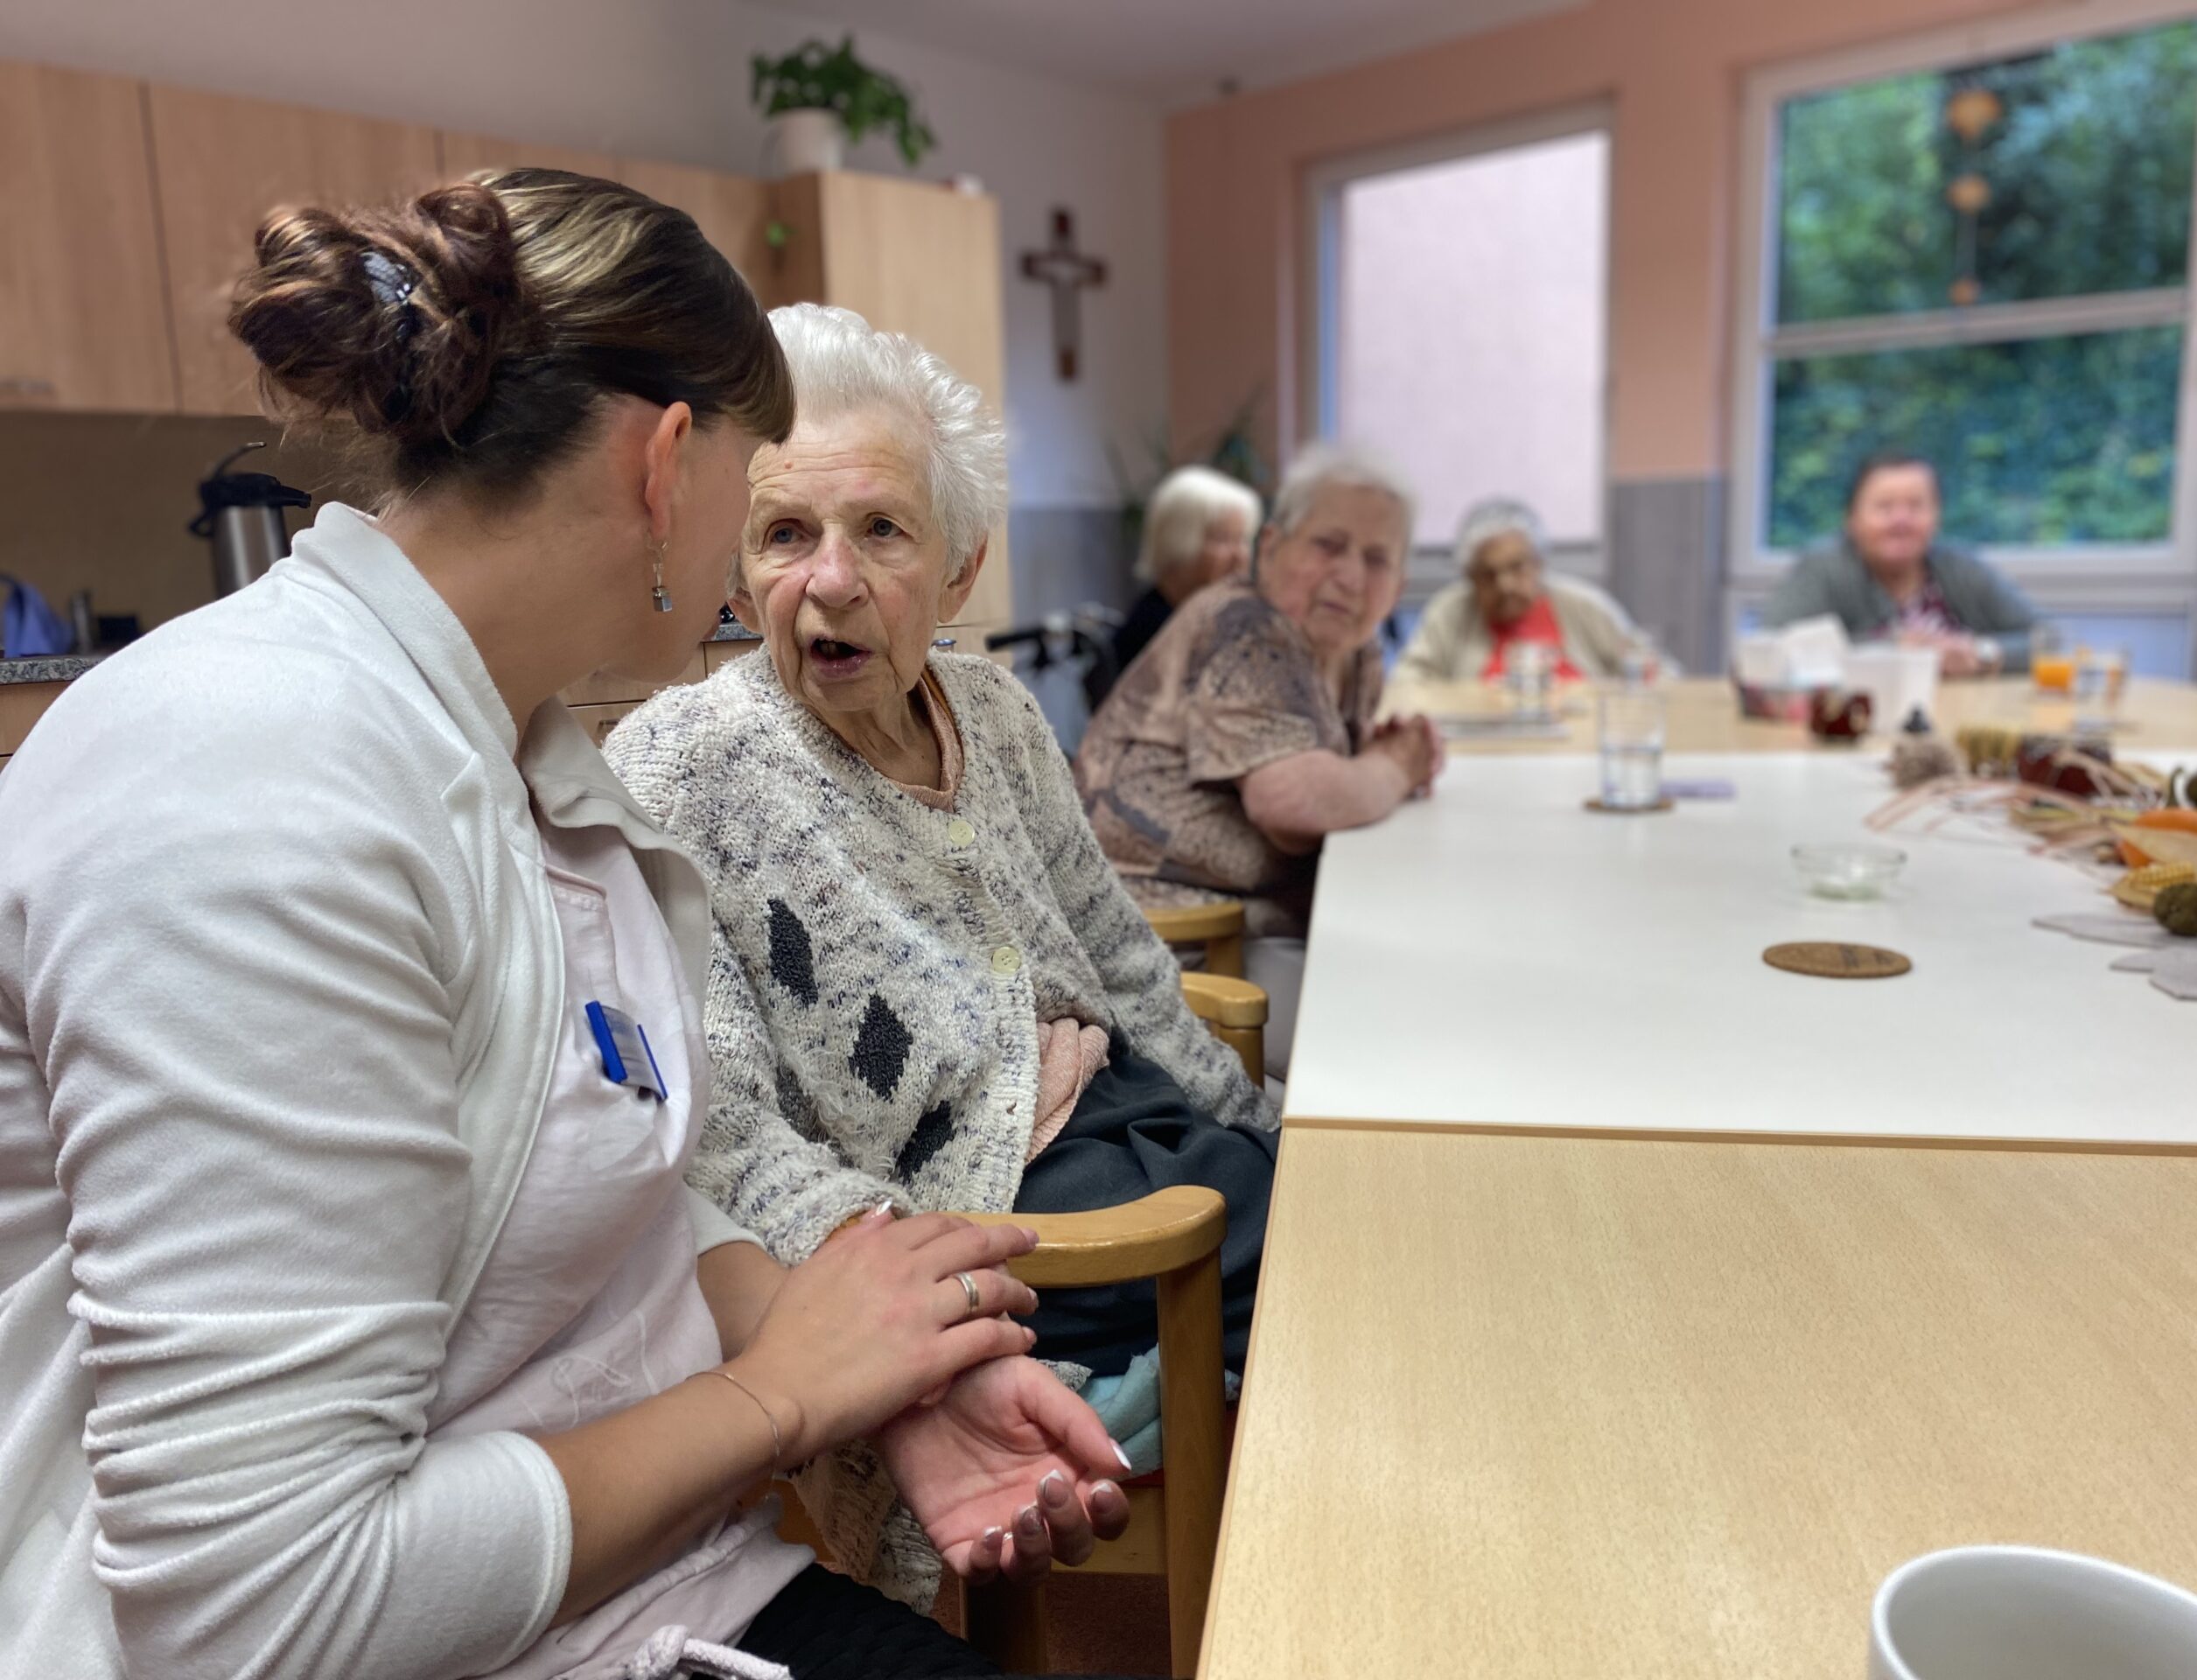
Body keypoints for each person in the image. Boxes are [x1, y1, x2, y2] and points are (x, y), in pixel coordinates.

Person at [0, 172, 1133, 1680]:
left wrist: (884, 1377)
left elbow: (622, 1193)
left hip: (640, 1591)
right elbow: (258, 1611)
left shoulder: (531, 759)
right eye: (766, 498)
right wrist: (783, 1399)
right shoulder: (246, 776)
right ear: (674, 470)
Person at [604, 304, 1279, 1604]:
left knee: (1332, 1209)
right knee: (1353, 1276)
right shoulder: (682, 770)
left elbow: (1123, 960)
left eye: (881, 531)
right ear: (739, 573)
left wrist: (1242, 1108)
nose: (832, 581)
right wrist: (912, 1312)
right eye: (787, 535)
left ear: (959, 571)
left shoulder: (996, 712)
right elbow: (722, 1130)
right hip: (992, 1221)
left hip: (1131, 1129)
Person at [1074, 444, 1442, 1082]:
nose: (1351, 577)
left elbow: (1338, 783)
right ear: (1270, 546)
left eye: (1376, 558)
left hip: (1261, 923)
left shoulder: (1350, 650)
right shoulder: (1247, 627)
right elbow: (1292, 804)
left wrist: (1377, 767)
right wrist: (1396, 766)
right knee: (1408, 1038)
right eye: (1329, 544)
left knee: (1436, 976)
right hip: (1177, 950)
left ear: (1399, 585)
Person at [1762, 450, 2040, 676]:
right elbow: (1774, 650)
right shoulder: (1821, 569)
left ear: (1937, 516)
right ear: (1852, 519)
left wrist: (1980, 652)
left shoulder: (1959, 568)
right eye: (1884, 507)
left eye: (1916, 506)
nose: (1901, 521)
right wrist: (1891, 650)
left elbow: (2046, 641)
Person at [1394, 497, 1669, 683]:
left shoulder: (1583, 605)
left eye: (1517, 567)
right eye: (1488, 574)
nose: (1505, 585)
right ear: (1470, 578)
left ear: (1540, 564)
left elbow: (1654, 669)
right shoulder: (1449, 611)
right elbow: (1408, 681)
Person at [1112, 465, 1262, 672]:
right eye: (1223, 539)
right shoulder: (1157, 633)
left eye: (1243, 539)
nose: (1239, 556)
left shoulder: (1213, 617)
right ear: (1177, 542)